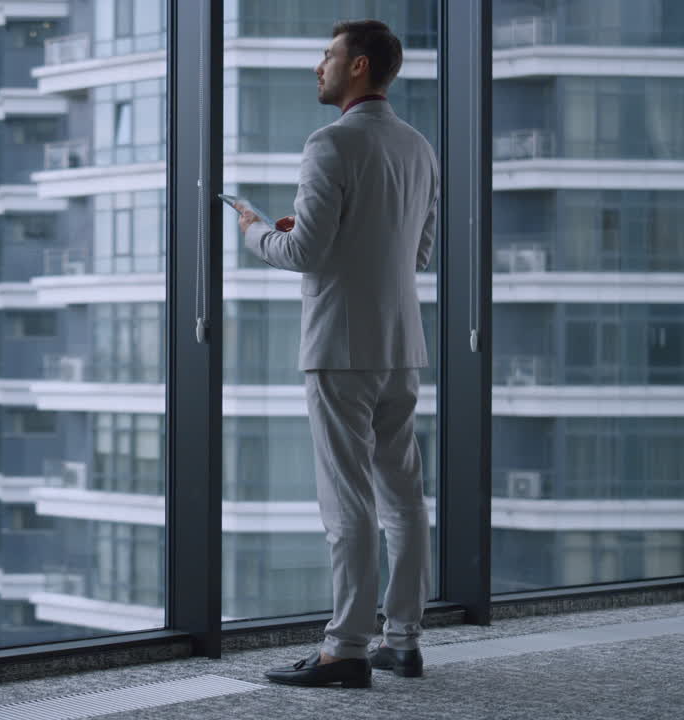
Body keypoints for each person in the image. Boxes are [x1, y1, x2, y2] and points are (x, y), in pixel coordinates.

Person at [238, 19, 437, 689]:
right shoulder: (418, 148)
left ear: (358, 67)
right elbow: (415, 251)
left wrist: (255, 230)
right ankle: (402, 640)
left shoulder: (329, 145)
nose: (317, 66)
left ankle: (346, 648)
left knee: (346, 503)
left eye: (327, 55)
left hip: (339, 346)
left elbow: (304, 254)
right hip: (400, 345)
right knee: (403, 498)